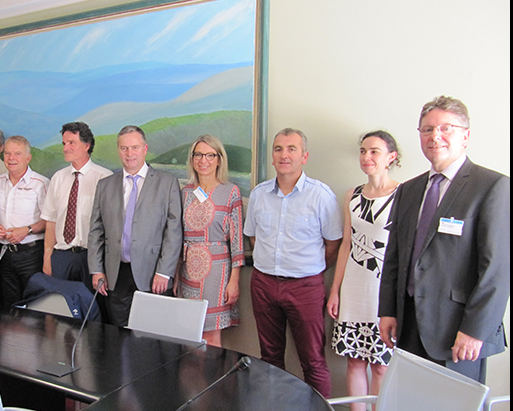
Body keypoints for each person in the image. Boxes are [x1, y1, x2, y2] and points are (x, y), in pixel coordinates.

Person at [378, 96, 510, 383]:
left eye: (445, 128)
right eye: (427, 130)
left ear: (466, 136)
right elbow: (395, 256)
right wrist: (388, 310)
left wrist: (476, 329)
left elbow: (497, 270)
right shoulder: (409, 190)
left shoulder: (491, 187)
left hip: (458, 330)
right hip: (409, 324)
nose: (435, 136)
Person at [244, 128, 342, 398]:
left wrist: (308, 270)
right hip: (263, 283)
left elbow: (333, 243)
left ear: (304, 156)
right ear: (272, 158)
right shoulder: (259, 194)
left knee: (312, 361)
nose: (284, 155)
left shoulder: (321, 196)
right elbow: (253, 236)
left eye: (291, 149)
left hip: (305, 287)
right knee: (270, 357)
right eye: (278, 149)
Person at [326, 130, 400, 409]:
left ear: (390, 157)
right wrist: (335, 291)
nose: (366, 157)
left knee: (381, 366)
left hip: (383, 293)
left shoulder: (403, 195)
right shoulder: (352, 196)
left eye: (374, 152)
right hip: (353, 290)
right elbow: (346, 244)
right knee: (354, 361)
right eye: (363, 151)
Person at [88, 125, 182, 327]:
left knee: (153, 334)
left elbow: (173, 232)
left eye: (135, 147)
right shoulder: (105, 185)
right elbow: (96, 230)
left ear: (145, 149)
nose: (129, 153)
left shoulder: (167, 183)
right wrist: (96, 269)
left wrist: (165, 272)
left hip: (153, 274)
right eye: (124, 148)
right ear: (118, 150)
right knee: (119, 335)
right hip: (116, 273)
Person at [174, 135, 244, 347]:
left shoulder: (230, 192)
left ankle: (212, 380)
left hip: (217, 272)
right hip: (188, 272)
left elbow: (237, 242)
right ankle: (190, 381)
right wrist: (176, 274)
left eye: (210, 155)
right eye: (198, 154)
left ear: (219, 159)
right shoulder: (185, 192)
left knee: (211, 336)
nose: (203, 160)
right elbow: (178, 236)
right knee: (188, 333)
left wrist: (234, 281)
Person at [41, 121, 111, 286]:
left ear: (87, 145)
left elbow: (109, 226)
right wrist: (47, 257)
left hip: (91, 257)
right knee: (59, 304)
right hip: (61, 256)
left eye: (72, 143)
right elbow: (51, 221)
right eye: (64, 143)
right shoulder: (58, 178)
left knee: (90, 307)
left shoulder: (104, 178)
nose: (66, 148)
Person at [0, 136, 50, 306]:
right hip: (4, 253)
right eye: (8, 153)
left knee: (35, 304)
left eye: (17, 153)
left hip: (31, 254)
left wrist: (28, 230)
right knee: (9, 305)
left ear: (28, 158)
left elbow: (51, 221)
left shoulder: (41, 183)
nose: (11, 158)